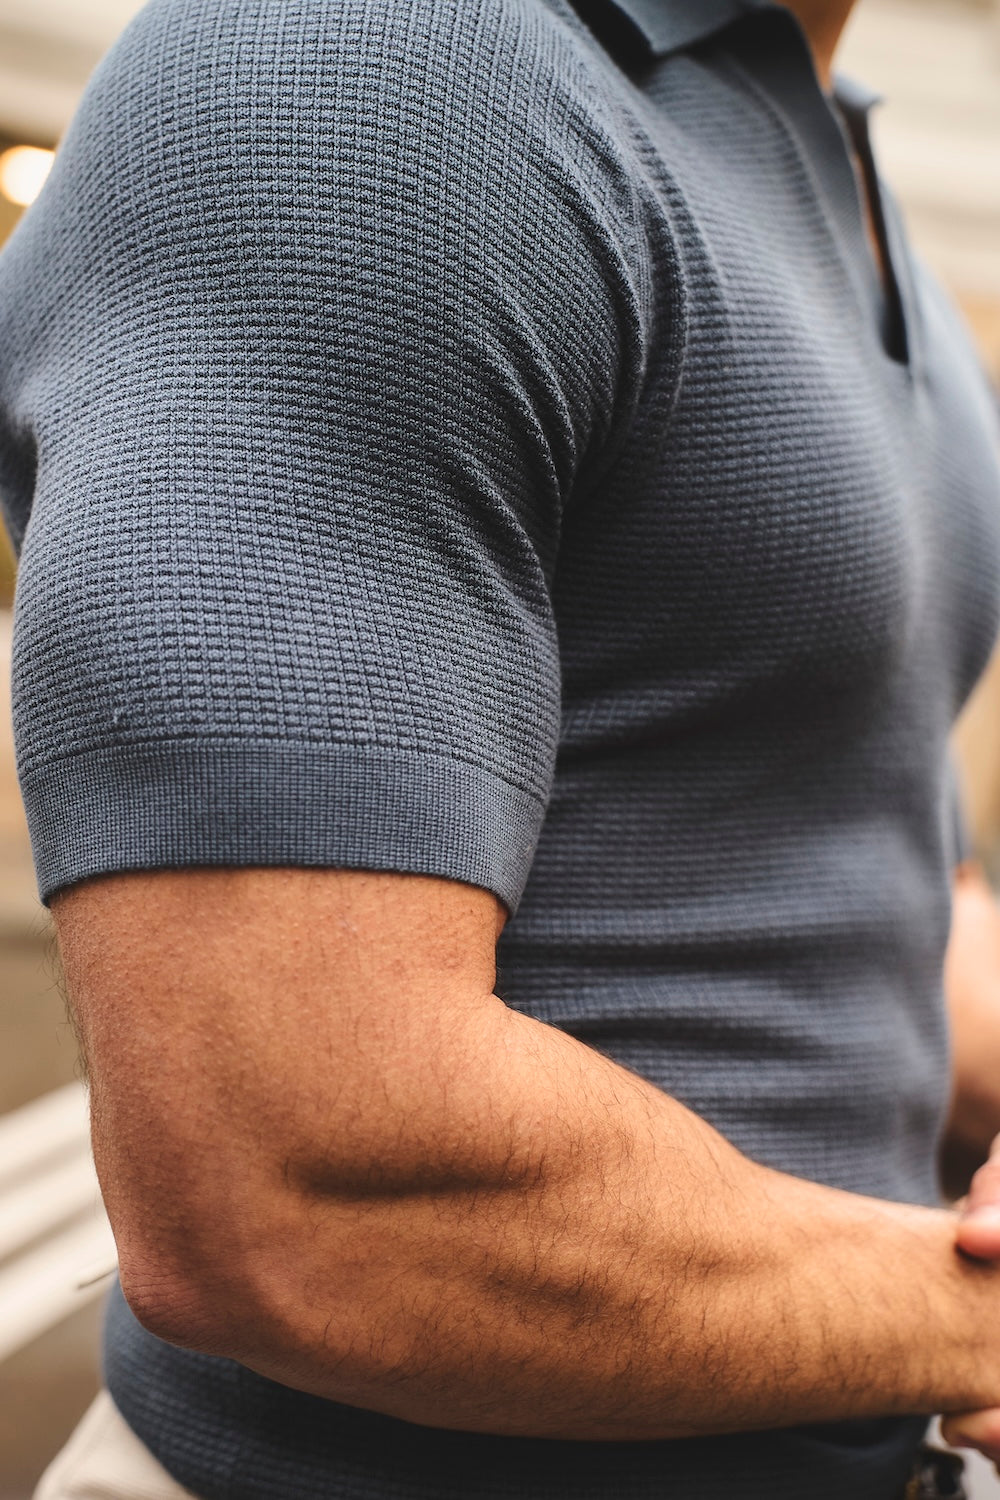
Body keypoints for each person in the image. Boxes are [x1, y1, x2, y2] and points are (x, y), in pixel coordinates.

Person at [2, 0, 1000, 1495]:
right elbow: (301, 1188)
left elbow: (872, 883)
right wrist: (974, 1324)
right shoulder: (370, 75)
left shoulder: (835, 162)